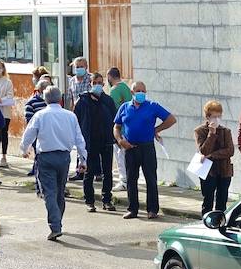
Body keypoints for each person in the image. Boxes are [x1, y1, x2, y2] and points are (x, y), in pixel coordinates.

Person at [19, 85, 87, 241]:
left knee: (49, 192)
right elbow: (79, 139)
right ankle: (58, 221)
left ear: (45, 99)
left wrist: (24, 149)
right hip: (64, 157)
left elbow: (29, 134)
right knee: (59, 191)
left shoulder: (40, 115)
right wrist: (83, 159)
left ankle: (55, 226)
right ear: (61, 99)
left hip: (46, 157)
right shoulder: (70, 116)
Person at [113, 81, 176, 219]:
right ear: (132, 92)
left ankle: (152, 209)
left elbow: (171, 119)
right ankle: (132, 209)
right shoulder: (125, 107)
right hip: (130, 147)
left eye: (143, 91)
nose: (141, 93)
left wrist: (156, 129)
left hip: (147, 147)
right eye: (138, 91)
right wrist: (120, 140)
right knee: (131, 179)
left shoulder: (152, 106)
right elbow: (116, 126)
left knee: (151, 179)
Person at [74, 72, 117, 212]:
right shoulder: (82, 101)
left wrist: (115, 137)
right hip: (89, 142)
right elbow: (76, 121)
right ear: (90, 84)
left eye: (100, 83)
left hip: (106, 141)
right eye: (95, 83)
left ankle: (107, 200)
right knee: (89, 172)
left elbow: (115, 120)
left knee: (107, 172)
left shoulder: (108, 101)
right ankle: (90, 201)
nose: (98, 85)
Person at [195, 101, 236, 215]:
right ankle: (206, 222)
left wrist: (212, 155)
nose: (217, 119)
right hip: (208, 171)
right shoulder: (200, 131)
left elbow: (230, 151)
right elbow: (203, 150)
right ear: (208, 117)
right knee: (208, 200)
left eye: (219, 116)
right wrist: (211, 134)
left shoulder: (226, 131)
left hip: (224, 170)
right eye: (214, 117)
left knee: (222, 200)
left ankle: (219, 221)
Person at [0, 60, 15, 170]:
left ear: (3, 69)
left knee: (3, 134)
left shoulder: (8, 82)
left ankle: (4, 156)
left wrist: (1, 100)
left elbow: (10, 97)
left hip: (4, 112)